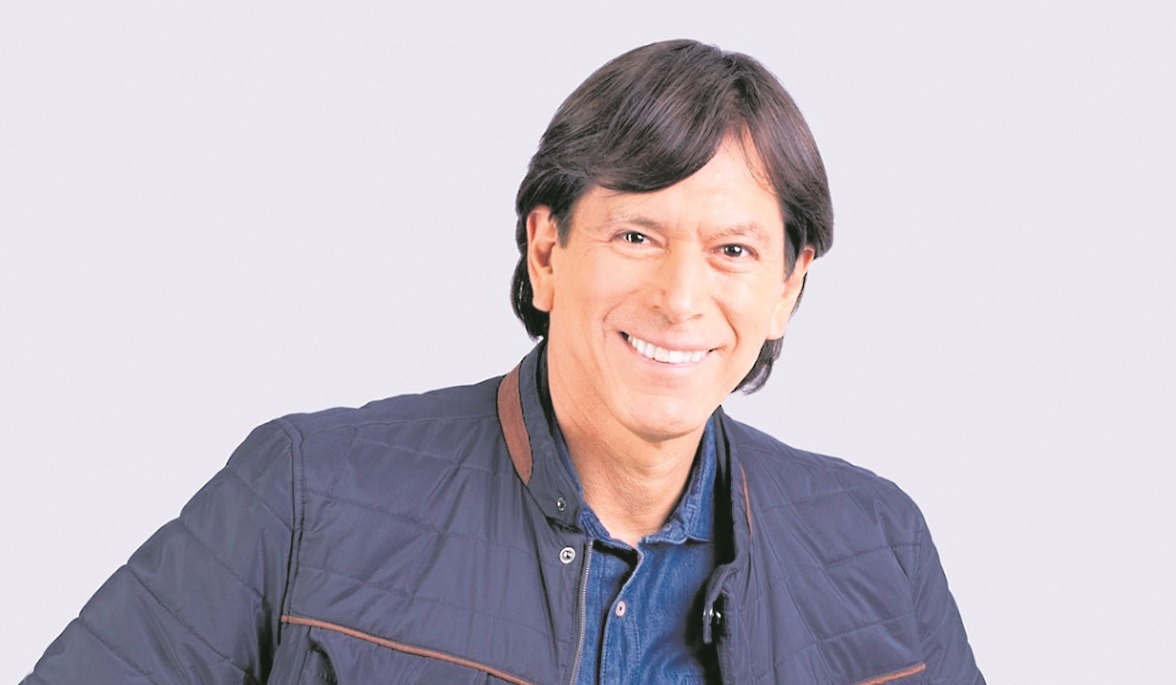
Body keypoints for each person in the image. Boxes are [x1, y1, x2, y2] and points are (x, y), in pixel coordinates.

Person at [23, 39, 984, 684]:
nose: (681, 298)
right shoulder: (308, 494)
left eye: (733, 250)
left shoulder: (879, 548)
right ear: (547, 248)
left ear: (787, 285)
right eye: (637, 235)